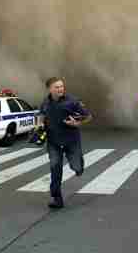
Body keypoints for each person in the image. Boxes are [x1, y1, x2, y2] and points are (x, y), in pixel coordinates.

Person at [38, 77, 92, 209]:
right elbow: (41, 115)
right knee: (55, 167)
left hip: (71, 141)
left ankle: (78, 167)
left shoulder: (72, 102)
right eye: (57, 87)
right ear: (50, 89)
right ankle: (57, 198)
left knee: (76, 166)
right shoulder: (45, 102)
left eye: (61, 86)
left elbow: (88, 116)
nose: (60, 89)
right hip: (54, 142)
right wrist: (39, 125)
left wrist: (77, 123)